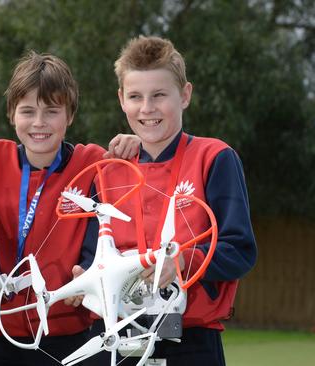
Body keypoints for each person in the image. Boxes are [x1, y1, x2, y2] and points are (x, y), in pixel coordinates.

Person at [0, 51, 140, 366]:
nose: (39, 123)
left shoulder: (94, 164)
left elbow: (115, 226)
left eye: (52, 111)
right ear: (11, 114)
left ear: (70, 115)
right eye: (27, 111)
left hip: (72, 342)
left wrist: (136, 145)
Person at [105, 35, 257, 365]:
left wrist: (184, 260)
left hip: (192, 341)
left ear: (184, 95)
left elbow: (241, 251)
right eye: (135, 96)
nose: (146, 108)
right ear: (121, 99)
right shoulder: (111, 169)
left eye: (159, 95)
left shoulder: (215, 157)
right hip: (123, 339)